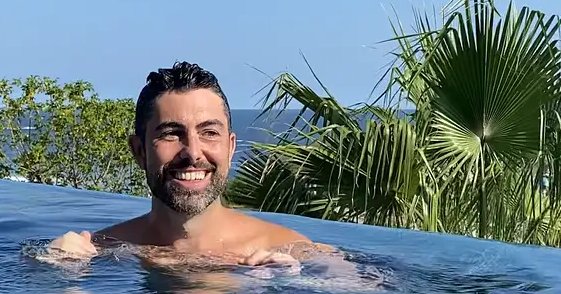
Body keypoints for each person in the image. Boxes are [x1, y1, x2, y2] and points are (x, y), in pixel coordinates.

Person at [46, 61, 344, 272]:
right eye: (171, 134)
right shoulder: (103, 250)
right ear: (139, 151)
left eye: (209, 133)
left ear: (229, 147)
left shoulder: (293, 250)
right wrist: (55, 274)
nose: (192, 152)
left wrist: (293, 287)